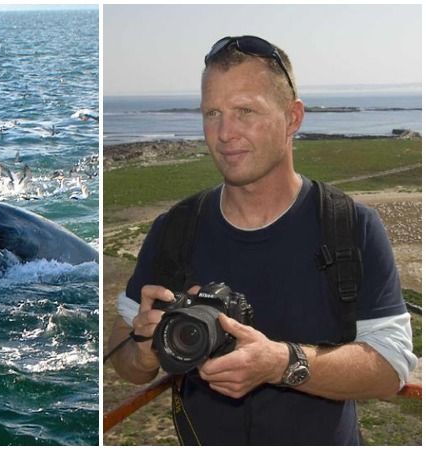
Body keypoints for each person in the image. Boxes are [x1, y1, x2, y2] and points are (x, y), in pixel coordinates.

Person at [108, 35, 417, 445]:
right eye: (212, 113)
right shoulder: (174, 230)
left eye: (245, 111)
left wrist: (282, 363)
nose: (224, 133)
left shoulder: (351, 226)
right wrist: (145, 351)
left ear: (293, 118)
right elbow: (125, 360)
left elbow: (390, 367)